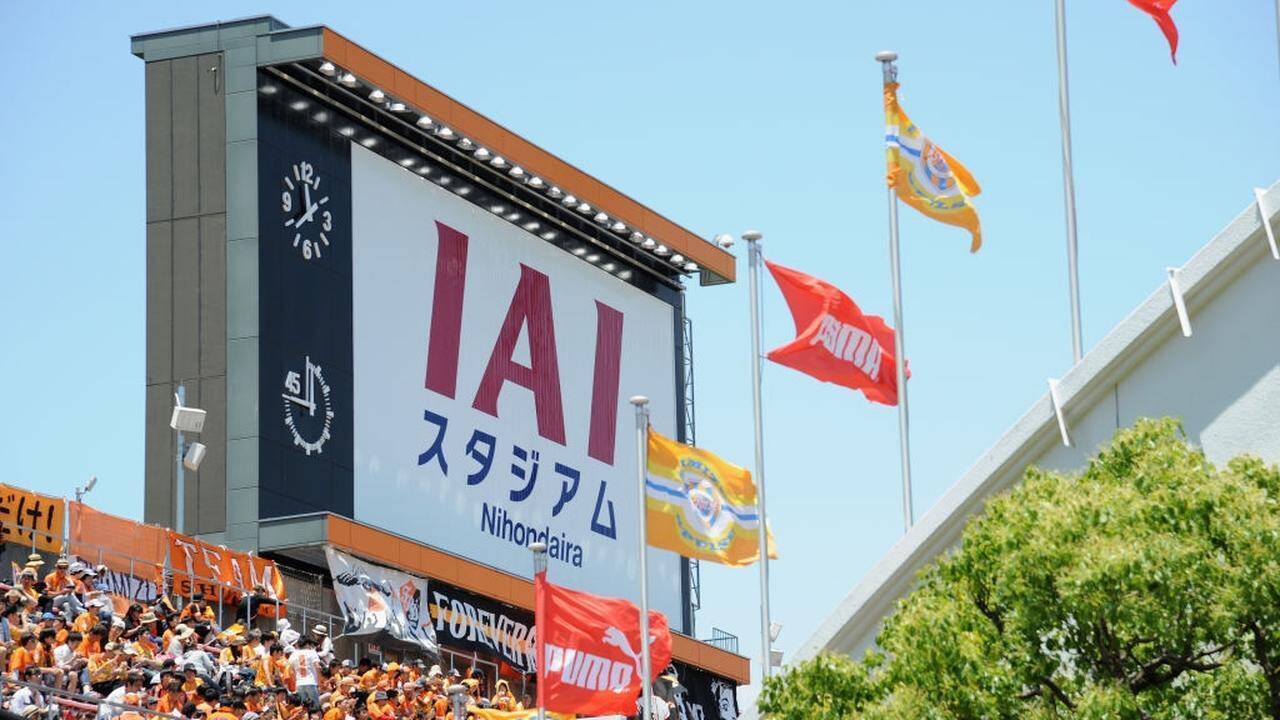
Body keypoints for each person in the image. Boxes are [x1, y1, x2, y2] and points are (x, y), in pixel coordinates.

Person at [288, 638, 322, 711]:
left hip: (299, 683)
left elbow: (291, 671)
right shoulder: (312, 653)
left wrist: (296, 681)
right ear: (307, 644)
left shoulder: (293, 654)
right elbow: (317, 667)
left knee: (304, 708)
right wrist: (319, 682)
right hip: (311, 682)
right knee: (316, 707)